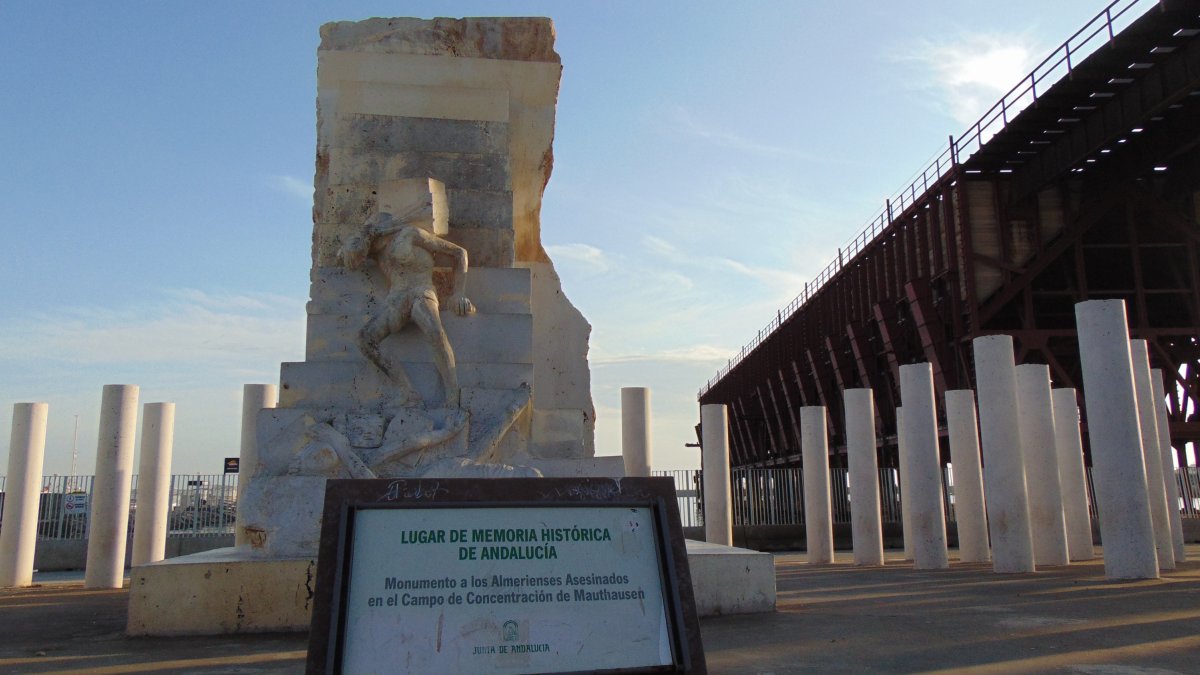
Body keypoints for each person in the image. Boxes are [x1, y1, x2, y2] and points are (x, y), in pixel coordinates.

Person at [337, 209, 475, 406]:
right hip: (397, 298)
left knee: (436, 333)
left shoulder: (411, 233)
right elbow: (348, 258)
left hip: (421, 291)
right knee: (365, 340)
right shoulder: (375, 251)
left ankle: (453, 393)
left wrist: (459, 292)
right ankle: (407, 392)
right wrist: (360, 239)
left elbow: (460, 253)